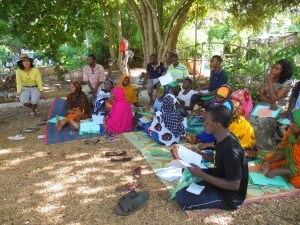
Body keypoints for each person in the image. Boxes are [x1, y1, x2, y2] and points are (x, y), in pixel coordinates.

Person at [175, 105, 249, 211]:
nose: (203, 124)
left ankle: (207, 188)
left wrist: (202, 175)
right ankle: (204, 183)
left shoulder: (231, 151)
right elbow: (219, 159)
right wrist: (200, 153)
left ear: (217, 124)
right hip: (221, 175)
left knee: (181, 197)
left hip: (230, 197)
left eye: (206, 122)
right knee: (186, 170)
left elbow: (234, 185)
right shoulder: (223, 137)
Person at [249, 59, 292, 150]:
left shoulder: (286, 82)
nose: (273, 70)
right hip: (266, 105)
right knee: (251, 119)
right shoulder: (267, 77)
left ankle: (264, 146)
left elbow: (275, 98)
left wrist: (270, 82)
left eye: (277, 69)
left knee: (262, 121)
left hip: (279, 108)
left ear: (283, 72)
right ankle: (251, 144)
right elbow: (261, 95)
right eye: (273, 67)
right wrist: (271, 103)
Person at [260, 108, 300, 188]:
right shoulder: (291, 133)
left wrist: (277, 171)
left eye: (293, 123)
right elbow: (284, 151)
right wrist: (268, 162)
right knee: (269, 161)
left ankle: (287, 174)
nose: (290, 125)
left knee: (297, 181)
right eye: (291, 121)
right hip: (292, 164)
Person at [16, 53, 46, 117]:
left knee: (35, 100)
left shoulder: (35, 70)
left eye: (28, 60)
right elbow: (19, 83)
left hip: (35, 88)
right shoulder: (18, 71)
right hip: (25, 89)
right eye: (24, 61)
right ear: (21, 63)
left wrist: (42, 92)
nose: (26, 62)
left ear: (30, 61)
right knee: (24, 101)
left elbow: (39, 81)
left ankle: (32, 111)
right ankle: (35, 108)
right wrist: (18, 95)